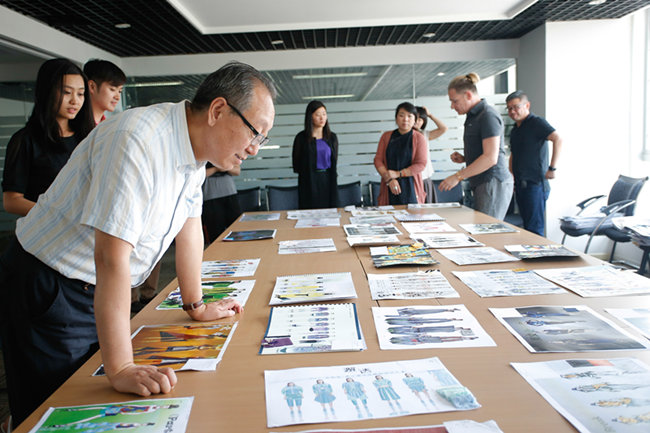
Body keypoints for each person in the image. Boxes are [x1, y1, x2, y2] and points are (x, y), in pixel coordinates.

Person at [0, 61, 276, 427]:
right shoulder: (138, 140)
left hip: (94, 288)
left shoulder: (194, 152)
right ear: (218, 110)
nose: (255, 149)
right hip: (49, 284)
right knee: (52, 414)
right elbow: (111, 258)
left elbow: (189, 226)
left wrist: (196, 305)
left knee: (91, 406)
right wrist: (120, 367)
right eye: (256, 133)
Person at [2, 58, 94, 217]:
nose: (75, 101)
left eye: (80, 94)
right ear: (47, 92)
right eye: (67, 92)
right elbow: (11, 201)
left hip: (83, 228)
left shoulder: (88, 138)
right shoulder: (25, 140)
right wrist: (58, 215)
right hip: (45, 228)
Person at [439, 73, 513, 219]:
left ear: (468, 95)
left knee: (487, 228)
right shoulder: (473, 116)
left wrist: (457, 176)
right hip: (481, 181)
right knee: (479, 226)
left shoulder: (488, 115)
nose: (452, 106)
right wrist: (466, 158)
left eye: (455, 101)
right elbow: (485, 151)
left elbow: (490, 158)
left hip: (491, 181)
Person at [506, 90, 562, 236]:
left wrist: (552, 168)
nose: (512, 111)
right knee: (525, 228)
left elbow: (557, 138)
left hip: (535, 184)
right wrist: (511, 177)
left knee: (534, 229)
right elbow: (514, 154)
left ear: (527, 105)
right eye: (509, 108)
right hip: (520, 184)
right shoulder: (515, 129)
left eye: (516, 107)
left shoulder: (537, 122)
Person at [374, 102, 427, 205]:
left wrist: (398, 174)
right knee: (389, 213)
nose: (405, 119)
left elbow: (421, 164)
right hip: (389, 185)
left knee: (413, 214)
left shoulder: (419, 138)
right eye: (401, 115)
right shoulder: (386, 136)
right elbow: (378, 160)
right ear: (396, 118)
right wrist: (389, 179)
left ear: (415, 120)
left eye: (409, 116)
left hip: (411, 186)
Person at [292, 100, 339, 209]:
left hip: (328, 181)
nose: (322, 118)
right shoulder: (301, 138)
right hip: (308, 181)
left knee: (330, 212)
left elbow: (334, 161)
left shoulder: (332, 138)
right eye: (318, 115)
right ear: (310, 117)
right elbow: (296, 165)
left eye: (324, 114)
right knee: (309, 213)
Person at [201, 162, 242, 243]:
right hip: (210, 197)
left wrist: (224, 167)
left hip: (230, 193)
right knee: (215, 232)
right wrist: (216, 169)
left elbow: (237, 171)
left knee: (237, 229)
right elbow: (199, 174)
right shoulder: (203, 156)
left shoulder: (228, 156)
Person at [415, 106, 448, 202]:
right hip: (410, 179)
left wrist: (430, 115)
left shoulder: (424, 134)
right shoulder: (402, 136)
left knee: (427, 208)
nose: (417, 122)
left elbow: (443, 128)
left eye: (420, 119)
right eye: (415, 118)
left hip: (424, 178)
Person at [83, 59, 126, 125]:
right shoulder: (73, 125)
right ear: (92, 86)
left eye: (120, 91)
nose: (117, 97)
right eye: (112, 89)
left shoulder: (107, 126)